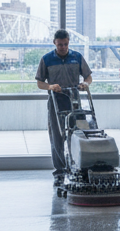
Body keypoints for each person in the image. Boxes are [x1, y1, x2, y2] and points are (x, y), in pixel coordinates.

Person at [36, 29, 93, 190]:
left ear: (69, 42)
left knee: (79, 135)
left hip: (74, 102)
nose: (63, 47)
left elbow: (88, 77)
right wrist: (50, 86)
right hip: (55, 103)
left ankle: (81, 167)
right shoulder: (46, 59)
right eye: (60, 44)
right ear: (54, 42)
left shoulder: (77, 57)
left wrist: (85, 84)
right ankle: (60, 172)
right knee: (57, 137)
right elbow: (39, 82)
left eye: (66, 44)